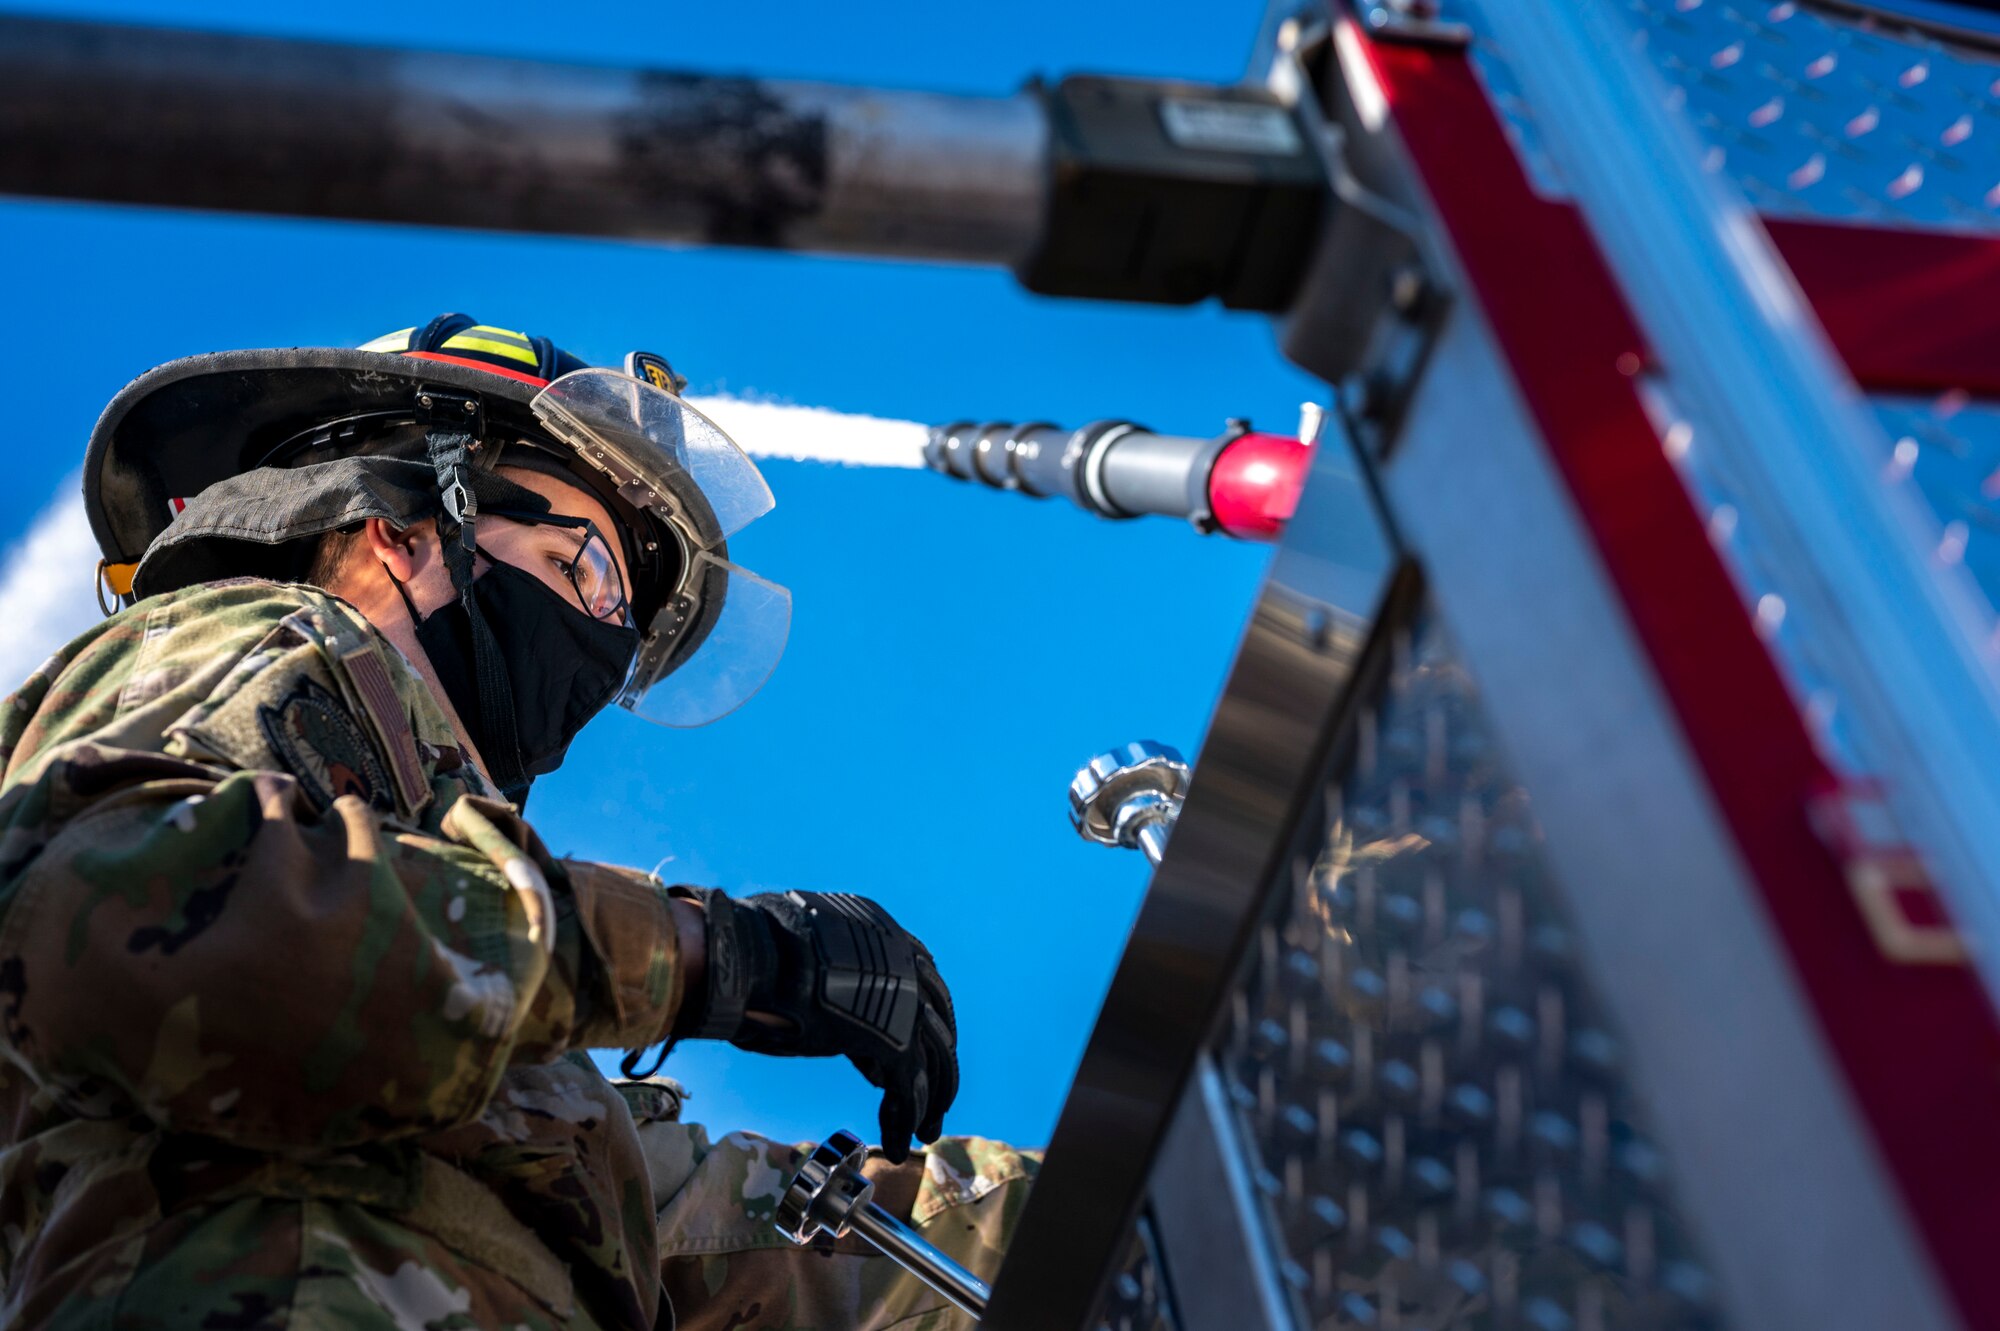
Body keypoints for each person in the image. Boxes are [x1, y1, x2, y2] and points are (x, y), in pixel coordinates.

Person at [0, 316, 1035, 1330]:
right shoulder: (252, 644)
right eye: (578, 563)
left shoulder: (481, 990)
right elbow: (131, 917)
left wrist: (1115, 1184)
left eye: (621, 619)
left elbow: (768, 1240)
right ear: (404, 529)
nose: (600, 633)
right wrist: (708, 952)